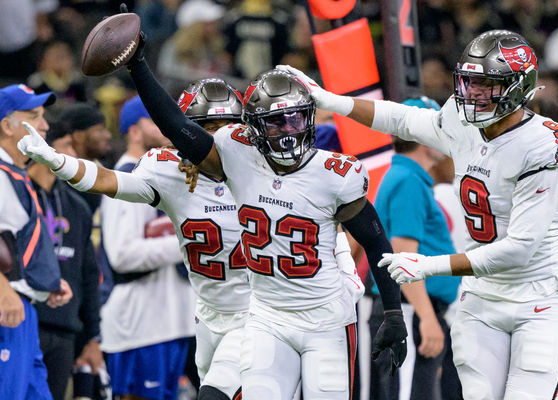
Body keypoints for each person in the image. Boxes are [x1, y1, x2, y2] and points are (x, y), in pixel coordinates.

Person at [20, 15, 408, 398]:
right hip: (226, 316)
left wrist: (374, 295)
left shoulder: (299, 168)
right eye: (205, 128)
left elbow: (351, 229)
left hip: (279, 314)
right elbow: (117, 175)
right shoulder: (195, 167)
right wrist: (61, 161)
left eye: (226, 128)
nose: (218, 138)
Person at [280, 29, 558, 400]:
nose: (472, 92)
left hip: (536, 291)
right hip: (482, 293)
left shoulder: (541, 146)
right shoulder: (463, 119)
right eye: (469, 80)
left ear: (518, 87)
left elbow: (519, 249)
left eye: (486, 84)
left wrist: (430, 265)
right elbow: (404, 121)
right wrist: (334, 101)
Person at [98, 95, 197, 400]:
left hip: (171, 323)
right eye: (155, 120)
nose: (165, 126)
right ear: (134, 131)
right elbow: (123, 254)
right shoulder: (126, 176)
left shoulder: (165, 174)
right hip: (139, 326)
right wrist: (188, 242)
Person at [372, 96, 461, 400]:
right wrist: (426, 317)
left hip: (412, 310)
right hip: (409, 312)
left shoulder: (407, 177)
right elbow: (403, 257)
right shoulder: (408, 180)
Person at [0, 83, 72, 400]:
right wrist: (3, 290)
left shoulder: (15, 173)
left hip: (24, 308)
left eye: (43, 116)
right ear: (6, 125)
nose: (43, 126)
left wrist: (46, 282)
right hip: (7, 308)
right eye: (33, 116)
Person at [28, 121, 102, 400]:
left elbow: (89, 275)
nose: (74, 153)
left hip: (64, 330)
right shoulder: (17, 194)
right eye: (68, 146)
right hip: (24, 321)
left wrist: (93, 336)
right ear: (45, 148)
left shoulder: (78, 206)